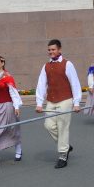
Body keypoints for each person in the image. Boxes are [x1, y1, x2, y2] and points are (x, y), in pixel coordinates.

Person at [35, 39, 82, 169]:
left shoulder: (68, 64)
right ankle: (66, 146)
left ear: (59, 50)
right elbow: (41, 84)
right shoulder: (46, 66)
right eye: (49, 50)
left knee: (62, 126)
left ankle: (62, 155)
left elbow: (75, 83)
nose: (51, 52)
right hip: (51, 100)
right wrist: (39, 103)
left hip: (65, 99)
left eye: (53, 49)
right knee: (48, 125)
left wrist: (76, 102)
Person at [0, 56, 23, 168]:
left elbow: (13, 92)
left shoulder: (8, 77)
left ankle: (18, 149)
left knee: (12, 129)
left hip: (7, 105)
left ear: (2, 63)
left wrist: (16, 106)